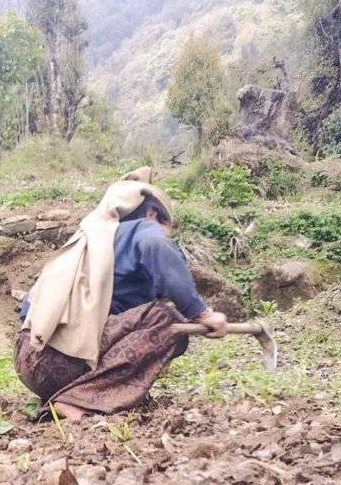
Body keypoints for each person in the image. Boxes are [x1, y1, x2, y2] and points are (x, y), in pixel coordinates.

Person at [15, 168, 228, 420]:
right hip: (63, 361)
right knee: (167, 320)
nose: (167, 235)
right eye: (168, 228)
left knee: (153, 319)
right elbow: (156, 245)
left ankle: (74, 393)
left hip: (27, 359)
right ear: (152, 214)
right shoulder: (143, 231)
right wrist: (202, 313)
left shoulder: (85, 242)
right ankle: (78, 401)